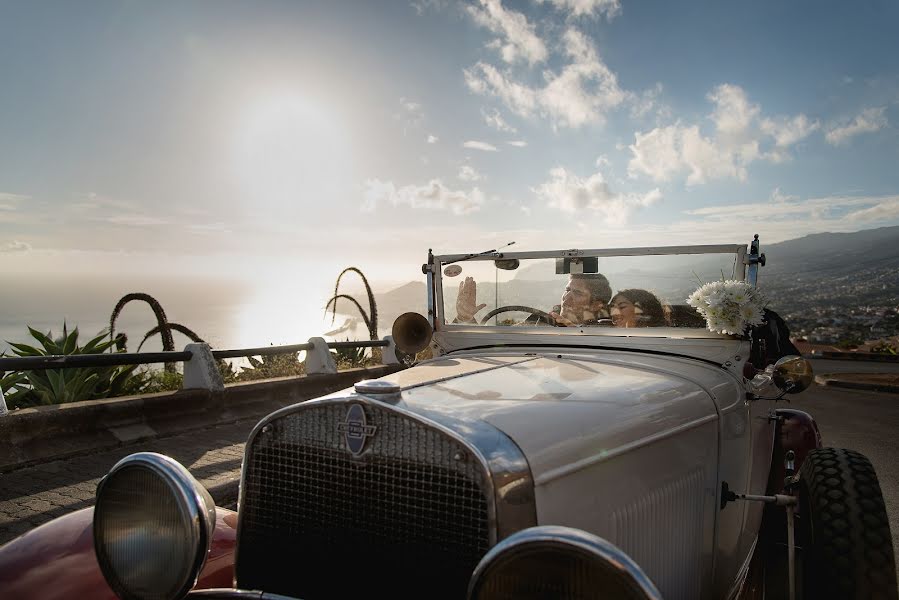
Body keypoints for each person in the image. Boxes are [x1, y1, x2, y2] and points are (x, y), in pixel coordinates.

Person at [454, 273, 612, 327]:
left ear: (597, 305)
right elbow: (491, 347)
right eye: (567, 290)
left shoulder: (605, 333)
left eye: (577, 293)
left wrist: (576, 335)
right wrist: (465, 318)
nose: (566, 298)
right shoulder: (538, 322)